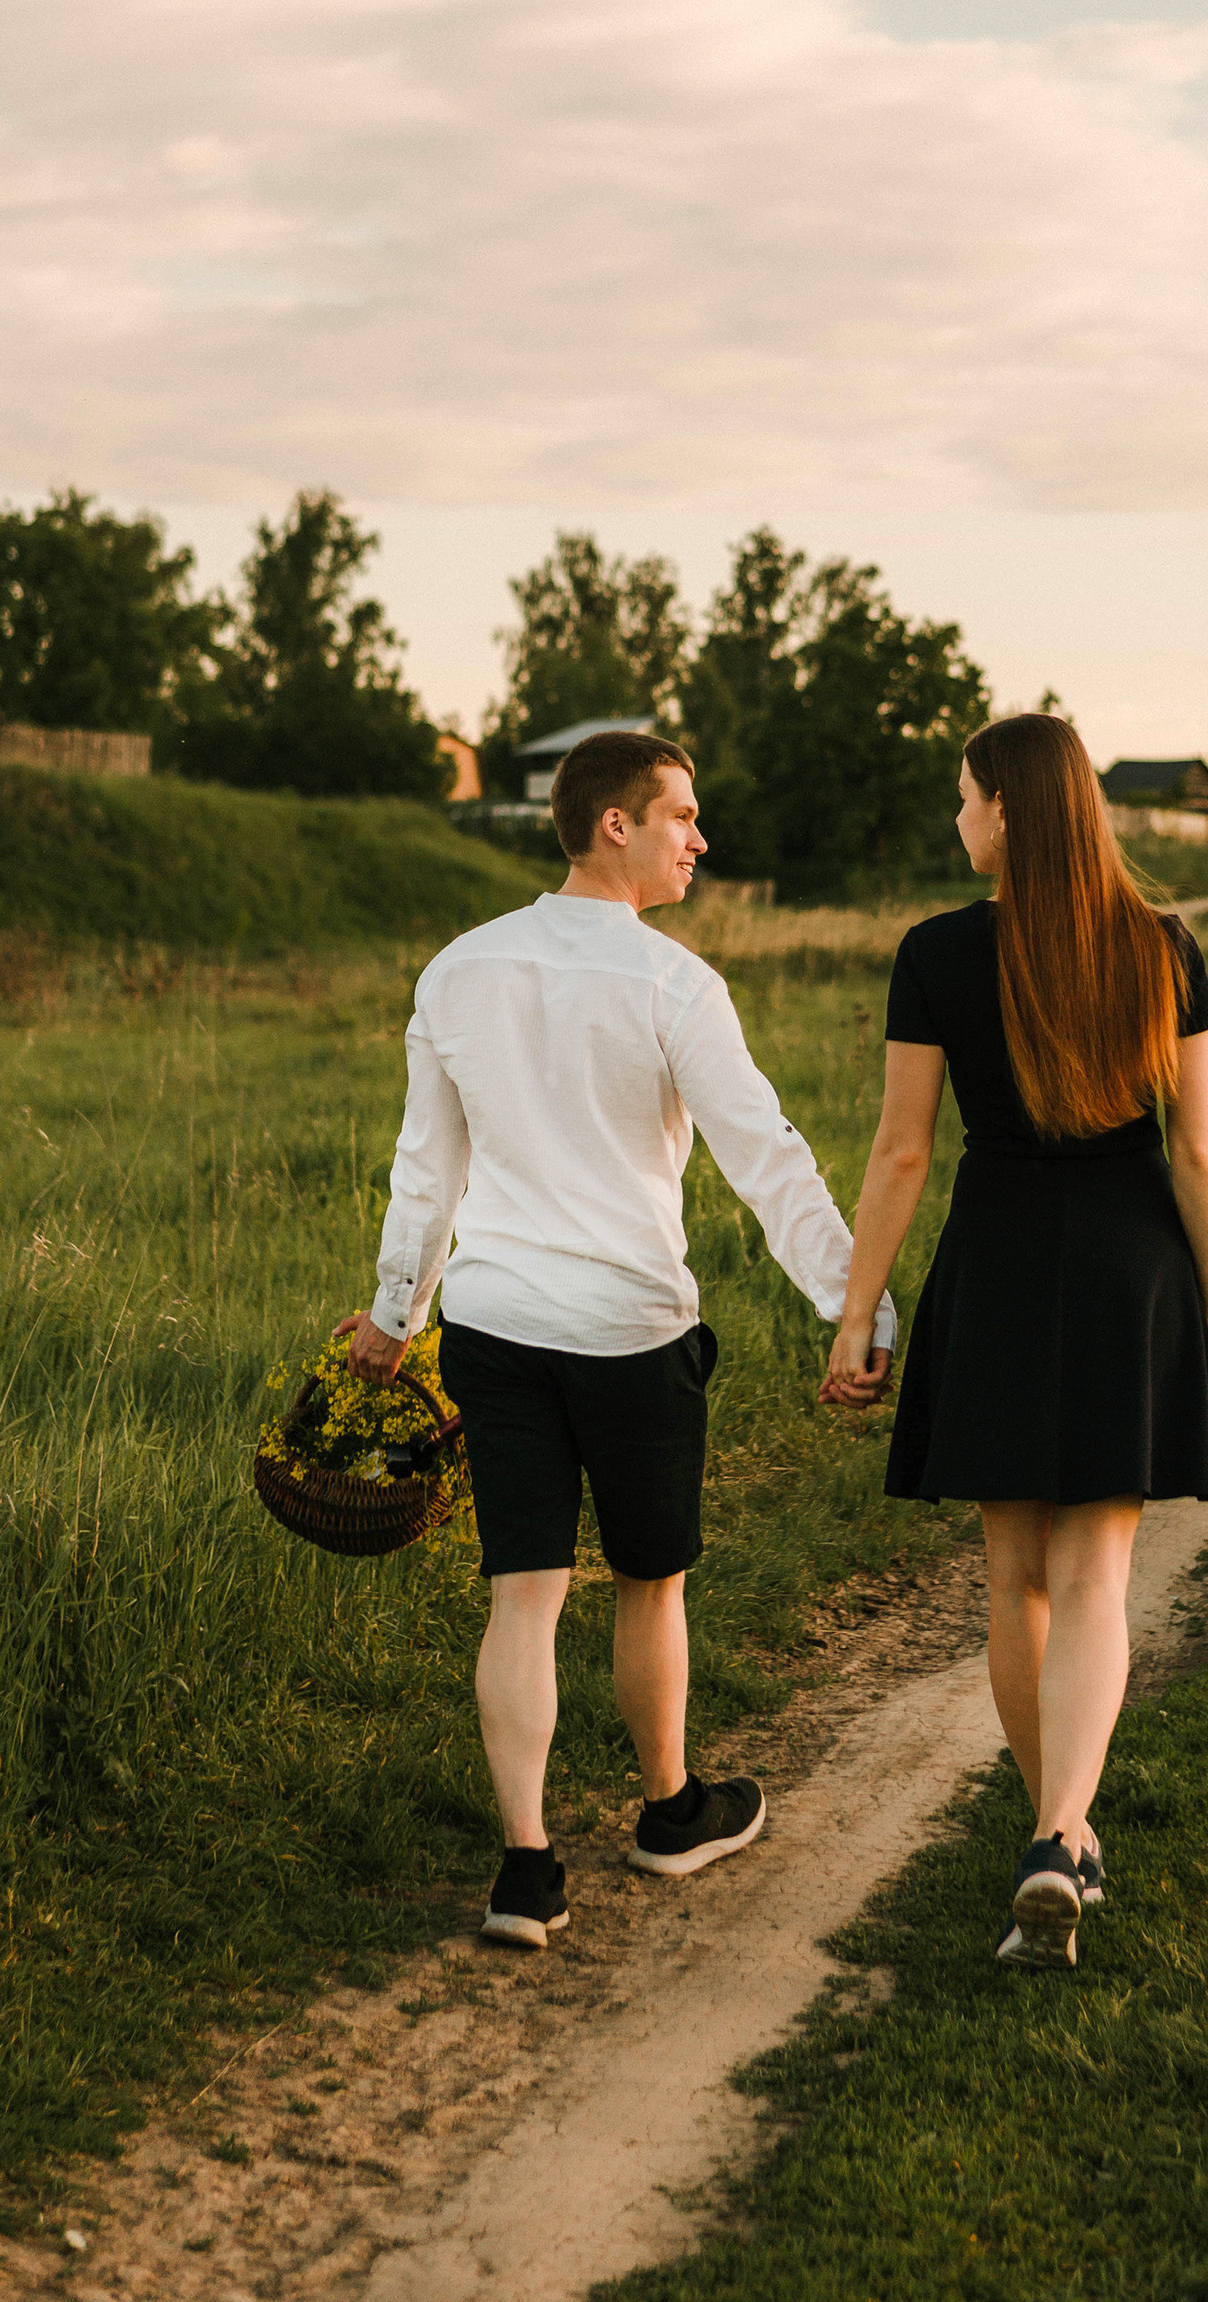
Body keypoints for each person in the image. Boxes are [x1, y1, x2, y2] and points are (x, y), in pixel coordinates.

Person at [341, 729, 897, 1950]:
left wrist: (397, 1316)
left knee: (523, 1592)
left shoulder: (457, 971)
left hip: (491, 1326)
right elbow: (767, 1158)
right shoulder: (671, 985)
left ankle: (525, 1872)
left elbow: (424, 1171)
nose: (699, 839)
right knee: (650, 1580)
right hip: (631, 1333)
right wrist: (854, 1310)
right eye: (682, 816)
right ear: (615, 825)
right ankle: (666, 1814)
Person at [823, 711, 1208, 1971]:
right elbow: (1197, 1148)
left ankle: (1055, 1831)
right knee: (1098, 1572)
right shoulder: (1161, 947)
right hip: (1128, 1269)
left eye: (963, 799)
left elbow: (902, 1152)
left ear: (1007, 811)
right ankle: (1063, 1836)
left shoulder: (935, 953)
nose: (956, 820)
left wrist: (856, 1312)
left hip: (997, 1263)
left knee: (1014, 1577)